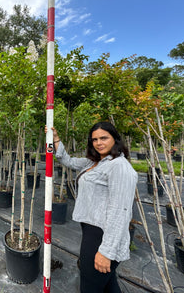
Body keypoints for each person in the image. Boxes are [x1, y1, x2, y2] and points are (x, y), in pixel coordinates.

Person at [46, 121, 137, 293]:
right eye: (94, 139)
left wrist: (106, 252)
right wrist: (56, 139)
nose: (99, 143)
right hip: (91, 231)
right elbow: (69, 161)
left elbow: (121, 212)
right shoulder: (95, 162)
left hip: (102, 236)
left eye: (104, 138)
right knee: (109, 284)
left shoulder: (119, 166)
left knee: (89, 286)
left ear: (115, 139)